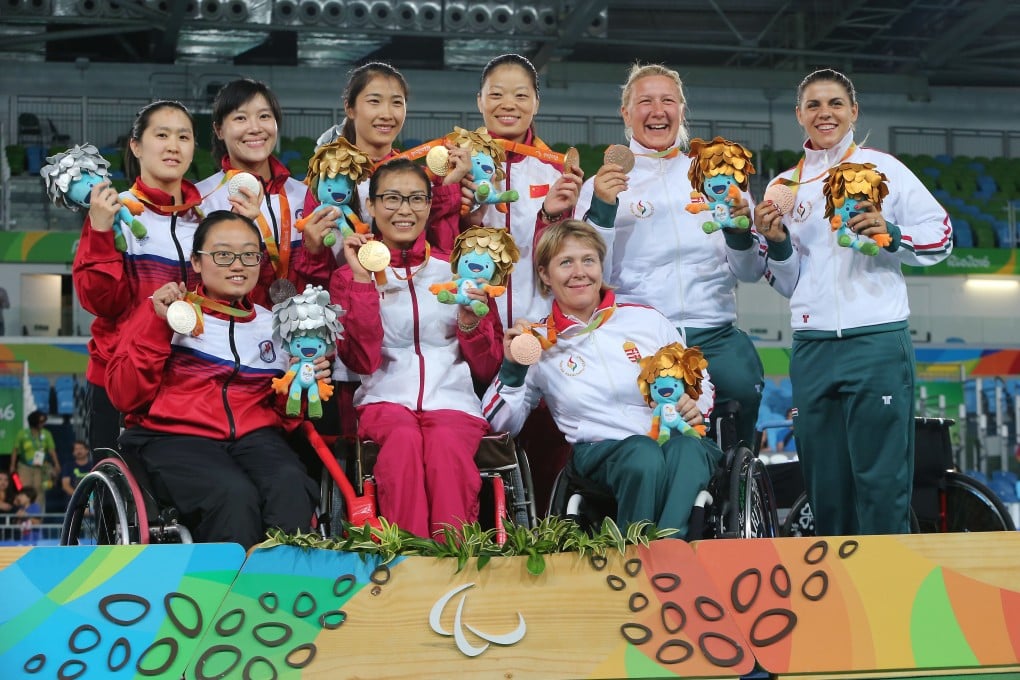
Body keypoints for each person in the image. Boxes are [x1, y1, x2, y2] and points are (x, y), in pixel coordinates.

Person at [753, 68, 953, 536]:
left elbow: (941, 237)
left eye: (836, 103)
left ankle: (892, 594)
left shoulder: (887, 171)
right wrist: (778, 243)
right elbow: (786, 282)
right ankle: (840, 600)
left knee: (882, 481)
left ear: (853, 111)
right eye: (815, 105)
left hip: (877, 340)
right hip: (813, 346)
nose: (826, 113)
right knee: (826, 482)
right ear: (799, 115)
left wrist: (891, 233)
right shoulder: (785, 187)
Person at [482, 220, 722, 536]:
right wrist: (513, 369)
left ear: (600, 267)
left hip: (669, 436)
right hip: (600, 454)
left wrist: (694, 402)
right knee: (643, 455)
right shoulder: (537, 343)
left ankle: (663, 552)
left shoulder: (646, 319)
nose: (579, 271)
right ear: (545, 275)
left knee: (689, 451)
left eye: (588, 260)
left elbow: (699, 377)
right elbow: (500, 425)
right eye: (565, 262)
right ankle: (645, 556)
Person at [575, 63, 767, 451]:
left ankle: (737, 484)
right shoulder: (600, 185)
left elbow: (750, 272)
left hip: (713, 330)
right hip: (640, 334)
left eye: (667, 100)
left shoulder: (718, 175)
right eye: (644, 101)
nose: (657, 110)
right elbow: (593, 277)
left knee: (745, 388)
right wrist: (603, 210)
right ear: (626, 114)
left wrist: (738, 230)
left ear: (682, 109)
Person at [106, 211, 322, 549]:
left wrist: (299, 387)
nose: (238, 265)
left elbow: (286, 417)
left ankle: (281, 592)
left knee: (292, 484)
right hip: (174, 437)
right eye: (223, 255)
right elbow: (124, 396)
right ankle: (226, 597)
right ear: (196, 261)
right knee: (233, 495)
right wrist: (158, 324)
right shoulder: (166, 310)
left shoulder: (275, 325)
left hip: (254, 438)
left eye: (249, 254)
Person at [330, 158, 503, 539]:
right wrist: (362, 283)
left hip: (453, 402)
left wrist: (471, 323)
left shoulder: (458, 271)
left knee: (444, 446)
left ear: (429, 204)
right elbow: (361, 359)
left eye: (415, 199)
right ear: (371, 206)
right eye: (391, 198)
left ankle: (454, 558)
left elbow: (489, 366)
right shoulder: (348, 276)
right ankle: (409, 558)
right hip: (383, 402)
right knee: (404, 443)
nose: (404, 209)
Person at [470, 53, 592, 514]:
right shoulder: (456, 167)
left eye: (521, 94)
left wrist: (553, 215)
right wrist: (462, 209)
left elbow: (570, 261)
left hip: (538, 335)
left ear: (537, 102)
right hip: (468, 338)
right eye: (497, 94)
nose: (509, 104)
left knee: (547, 458)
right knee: (477, 455)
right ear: (479, 101)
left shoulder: (556, 171)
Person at [74, 100, 204, 453]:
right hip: (121, 378)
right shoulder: (113, 214)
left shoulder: (206, 221)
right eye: (161, 135)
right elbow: (100, 301)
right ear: (136, 146)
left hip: (191, 378)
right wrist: (100, 230)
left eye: (183, 137)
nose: (173, 146)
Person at [196, 79, 335, 306]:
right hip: (236, 329)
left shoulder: (304, 195)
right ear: (219, 130)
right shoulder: (202, 200)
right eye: (240, 118)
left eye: (264, 116)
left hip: (301, 333)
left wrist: (315, 251)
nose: (255, 128)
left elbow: (325, 278)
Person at [9, 410, 59, 514]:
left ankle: (37, 516)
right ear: (34, 422)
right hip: (24, 466)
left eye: (44, 421)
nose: (43, 424)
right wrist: (12, 465)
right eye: (41, 422)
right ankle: (22, 515)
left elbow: (51, 450)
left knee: (39, 491)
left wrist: (56, 463)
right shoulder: (22, 433)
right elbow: (15, 450)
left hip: (41, 468)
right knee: (23, 490)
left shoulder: (46, 434)